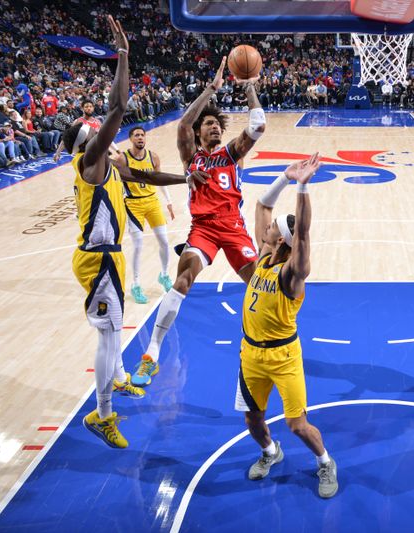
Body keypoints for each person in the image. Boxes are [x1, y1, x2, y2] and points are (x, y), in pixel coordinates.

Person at [66, 16, 207, 448]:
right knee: (111, 336)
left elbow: (146, 179)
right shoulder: (90, 164)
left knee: (117, 331)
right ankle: (103, 414)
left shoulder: (112, 165)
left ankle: (121, 378)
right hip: (98, 257)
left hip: (109, 255)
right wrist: (123, 54)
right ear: (87, 144)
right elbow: (117, 109)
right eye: (96, 134)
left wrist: (185, 180)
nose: (106, 135)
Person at [132, 58, 266, 387]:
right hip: (203, 229)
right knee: (182, 281)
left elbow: (258, 125)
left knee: (260, 285)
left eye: (217, 125)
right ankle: (151, 354)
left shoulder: (230, 154)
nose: (214, 127)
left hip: (233, 226)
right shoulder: (192, 157)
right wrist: (211, 90)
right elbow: (181, 127)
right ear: (199, 131)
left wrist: (250, 90)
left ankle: (267, 343)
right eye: (208, 124)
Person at [237, 153, 338, 498]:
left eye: (270, 229)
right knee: (252, 419)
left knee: (297, 425)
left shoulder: (291, 275)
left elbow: (304, 233)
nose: (263, 229)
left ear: (280, 239)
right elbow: (263, 205)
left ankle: (325, 462)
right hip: (250, 355)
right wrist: (284, 176)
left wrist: (302, 186)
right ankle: (269, 452)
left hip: (283, 357)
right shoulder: (264, 256)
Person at [119, 126, 175, 304]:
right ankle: (135, 285)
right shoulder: (123, 158)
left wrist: (169, 202)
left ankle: (164, 275)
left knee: (164, 242)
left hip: (152, 202)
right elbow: (115, 181)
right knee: (138, 246)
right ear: (131, 139)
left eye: (142, 135)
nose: (140, 138)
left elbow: (160, 180)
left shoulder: (153, 157)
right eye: (137, 135)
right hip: (133, 204)